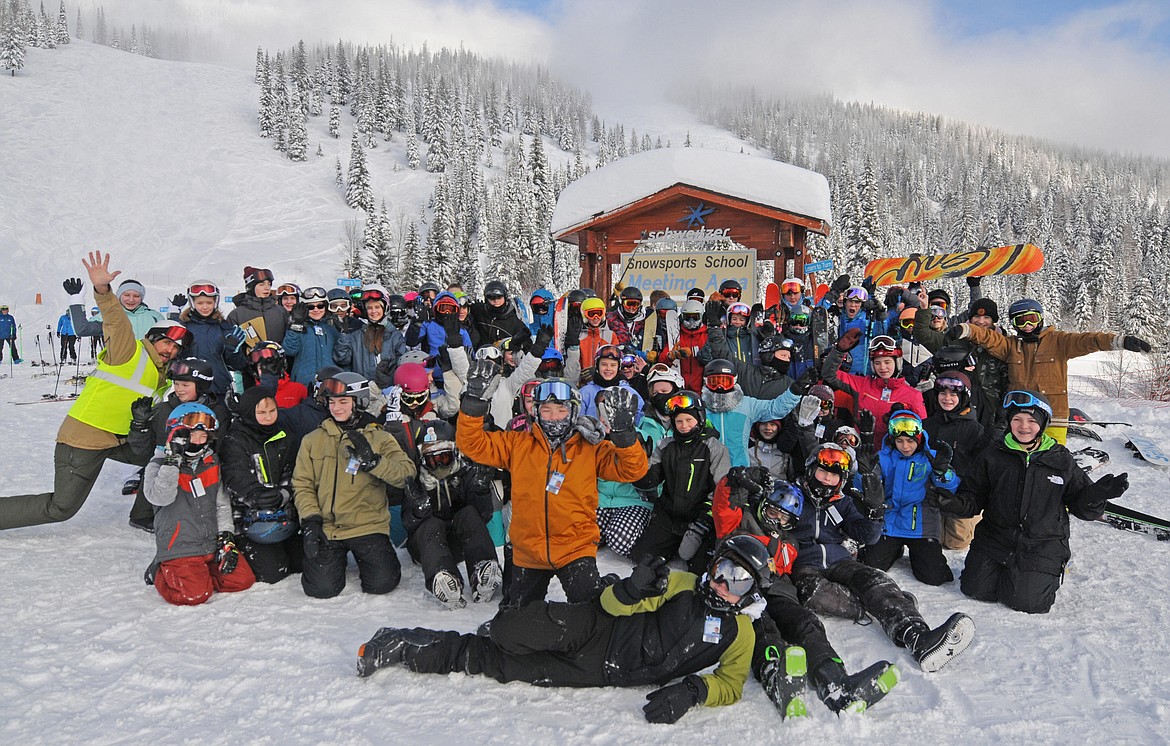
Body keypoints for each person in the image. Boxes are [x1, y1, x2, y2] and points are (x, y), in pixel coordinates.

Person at [356, 535, 774, 726]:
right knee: (507, 630)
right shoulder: (682, 584)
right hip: (597, 627)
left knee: (496, 664)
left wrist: (693, 691)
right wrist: (631, 589)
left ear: (751, 591)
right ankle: (503, 628)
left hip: (598, 672)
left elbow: (731, 684)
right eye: (723, 570)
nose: (724, 584)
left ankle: (401, 645)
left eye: (739, 581)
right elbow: (611, 605)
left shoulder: (741, 633)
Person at [0, 253, 186, 530]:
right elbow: (116, 321)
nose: (170, 350)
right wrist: (102, 289)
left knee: (162, 458)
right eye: (167, 343)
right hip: (83, 441)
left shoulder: (162, 375)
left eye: (176, 348)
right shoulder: (128, 351)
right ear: (153, 338)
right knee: (61, 508)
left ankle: (142, 515)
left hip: (117, 440)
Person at [713, 468, 900, 715]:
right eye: (772, 513)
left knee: (805, 623)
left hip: (776, 590)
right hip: (738, 590)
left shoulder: (789, 542)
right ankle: (775, 675)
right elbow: (723, 503)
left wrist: (766, 540)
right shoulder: (737, 520)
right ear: (763, 506)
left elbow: (782, 561)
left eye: (784, 519)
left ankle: (835, 681)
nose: (776, 521)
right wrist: (734, 480)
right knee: (763, 628)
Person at [456, 367, 648, 607]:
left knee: (592, 614)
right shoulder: (517, 444)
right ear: (536, 412)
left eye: (561, 410)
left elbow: (633, 470)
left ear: (574, 411)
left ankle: (603, 587)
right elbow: (472, 444)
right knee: (515, 619)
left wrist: (624, 435)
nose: (554, 417)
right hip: (528, 551)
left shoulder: (591, 448)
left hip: (575, 549)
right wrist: (473, 403)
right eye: (546, 410)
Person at [938, 391, 1130, 613]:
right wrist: (953, 504)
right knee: (975, 590)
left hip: (1042, 544)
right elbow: (974, 496)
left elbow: (1081, 508)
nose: (1024, 426)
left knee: (1026, 602)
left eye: (1031, 420)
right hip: (995, 538)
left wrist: (1096, 496)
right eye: (1017, 419)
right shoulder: (993, 454)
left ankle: (1041, 573)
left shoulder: (1060, 459)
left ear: (1043, 423)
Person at [790, 444, 974, 673]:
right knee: (813, 592)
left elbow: (867, 536)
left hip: (840, 560)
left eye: (834, 476)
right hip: (805, 563)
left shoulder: (842, 502)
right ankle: (886, 604)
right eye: (822, 472)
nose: (827, 479)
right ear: (810, 469)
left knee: (874, 579)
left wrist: (875, 513)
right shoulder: (793, 494)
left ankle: (917, 637)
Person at [948, 298, 1151, 443]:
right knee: (1016, 462)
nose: (1027, 325)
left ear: (1040, 318)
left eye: (1031, 318)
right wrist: (966, 330)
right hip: (1020, 416)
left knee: (1052, 461)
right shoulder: (1011, 345)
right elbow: (988, 337)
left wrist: (1120, 341)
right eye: (1020, 321)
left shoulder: (1059, 342)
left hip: (1053, 416)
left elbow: (1089, 340)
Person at [292, 372, 416, 598]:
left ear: (358, 402)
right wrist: (310, 519)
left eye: (343, 402)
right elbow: (302, 483)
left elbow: (406, 474)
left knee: (381, 583)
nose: (336, 408)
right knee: (320, 588)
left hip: (367, 525)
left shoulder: (380, 437)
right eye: (331, 402)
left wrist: (375, 463)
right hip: (327, 528)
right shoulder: (312, 440)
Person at [143, 403, 256, 605]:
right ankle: (160, 570)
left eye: (203, 436)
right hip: (180, 545)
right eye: (192, 435)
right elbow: (161, 497)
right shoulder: (158, 464)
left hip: (211, 544)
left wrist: (226, 539)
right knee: (194, 595)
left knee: (242, 580)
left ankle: (199, 574)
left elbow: (222, 504)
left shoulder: (212, 462)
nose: (198, 442)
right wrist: (173, 460)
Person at [401, 420, 503, 609]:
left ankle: (482, 570)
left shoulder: (466, 472)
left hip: (458, 543)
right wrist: (419, 508)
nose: (439, 465)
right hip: (427, 547)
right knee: (430, 523)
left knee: (468, 513)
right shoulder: (416, 479)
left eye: (444, 458)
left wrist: (480, 490)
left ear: (454, 453)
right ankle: (444, 579)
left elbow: (482, 516)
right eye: (432, 460)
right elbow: (408, 522)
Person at [632, 389, 730, 572]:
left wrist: (704, 521)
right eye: (679, 421)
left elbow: (721, 490)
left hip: (699, 518)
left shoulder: (714, 448)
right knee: (641, 558)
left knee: (701, 568)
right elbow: (647, 481)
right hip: (669, 516)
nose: (684, 426)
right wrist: (637, 461)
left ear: (700, 419)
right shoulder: (666, 446)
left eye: (689, 420)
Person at [861, 410, 959, 586]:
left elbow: (951, 487)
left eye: (910, 441)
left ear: (919, 439)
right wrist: (864, 473)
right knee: (871, 565)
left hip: (922, 524)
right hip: (891, 523)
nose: (905, 446)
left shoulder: (931, 457)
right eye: (899, 441)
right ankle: (894, 549)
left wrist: (942, 472)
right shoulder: (883, 457)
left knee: (933, 577)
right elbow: (866, 488)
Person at [219, 386, 303, 584]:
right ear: (249, 412)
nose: (268, 417)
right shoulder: (235, 439)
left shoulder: (285, 435)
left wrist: (284, 493)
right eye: (262, 412)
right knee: (273, 573)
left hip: (282, 513)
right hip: (248, 519)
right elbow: (235, 475)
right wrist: (255, 495)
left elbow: (293, 470)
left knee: (304, 562)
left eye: (272, 411)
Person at [822, 329, 926, 450]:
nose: (882, 367)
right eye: (877, 363)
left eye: (887, 362)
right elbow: (829, 374)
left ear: (897, 363)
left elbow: (922, 432)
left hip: (891, 454)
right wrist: (839, 351)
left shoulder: (913, 395)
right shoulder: (862, 384)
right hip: (861, 451)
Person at [922, 371, 989, 550]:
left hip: (959, 498)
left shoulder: (975, 429)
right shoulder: (927, 425)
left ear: (964, 397)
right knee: (931, 540)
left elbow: (981, 470)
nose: (947, 399)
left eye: (953, 394)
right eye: (943, 393)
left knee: (956, 543)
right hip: (930, 496)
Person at [171, 281, 249, 398]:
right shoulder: (184, 327)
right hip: (190, 390)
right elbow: (172, 357)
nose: (205, 307)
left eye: (209, 302)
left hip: (218, 390)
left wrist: (232, 351)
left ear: (215, 303)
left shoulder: (224, 328)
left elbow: (239, 365)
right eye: (200, 303)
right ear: (193, 303)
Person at [334, 285, 406, 390]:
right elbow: (342, 359)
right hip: (362, 390)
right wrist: (344, 336)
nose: (373, 311)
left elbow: (402, 363)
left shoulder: (394, 336)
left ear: (385, 308)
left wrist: (389, 374)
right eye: (369, 308)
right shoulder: (356, 336)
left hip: (386, 390)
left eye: (377, 307)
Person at [66, 276, 166, 342]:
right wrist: (76, 299)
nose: (131, 299)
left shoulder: (154, 317)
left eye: (136, 296)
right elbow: (82, 330)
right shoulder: (110, 315)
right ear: (119, 296)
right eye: (126, 295)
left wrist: (174, 311)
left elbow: (171, 340)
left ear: (141, 298)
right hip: (119, 366)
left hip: (149, 365)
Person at [282, 286, 341, 386]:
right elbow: (290, 350)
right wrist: (296, 325)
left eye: (320, 306)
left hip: (330, 382)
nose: (316, 310)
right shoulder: (298, 327)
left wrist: (343, 333)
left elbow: (343, 356)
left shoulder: (332, 327)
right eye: (311, 307)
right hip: (304, 383)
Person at [227, 266, 288, 347]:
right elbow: (230, 347)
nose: (267, 288)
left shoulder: (281, 311)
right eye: (261, 284)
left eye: (269, 284)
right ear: (250, 288)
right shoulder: (236, 315)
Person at [469, 280, 529, 350]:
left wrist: (513, 345)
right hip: (478, 354)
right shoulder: (479, 311)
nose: (496, 301)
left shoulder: (513, 322)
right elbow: (463, 311)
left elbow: (527, 342)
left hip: (502, 355)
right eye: (491, 297)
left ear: (505, 297)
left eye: (499, 297)